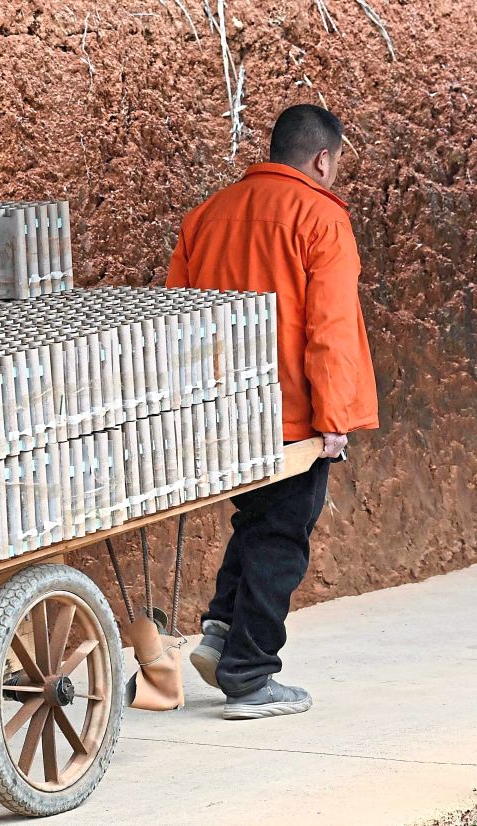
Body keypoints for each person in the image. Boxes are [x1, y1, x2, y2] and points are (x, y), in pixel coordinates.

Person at [165, 104, 379, 720]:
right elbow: (330, 329)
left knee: (257, 521)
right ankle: (250, 676)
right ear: (321, 158)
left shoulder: (207, 216)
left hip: (226, 411)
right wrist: (334, 420)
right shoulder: (320, 218)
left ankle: (218, 637)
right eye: (335, 163)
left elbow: (175, 321)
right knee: (282, 536)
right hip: (294, 415)